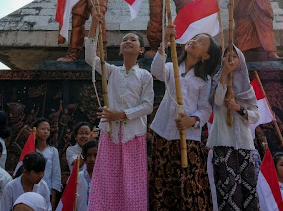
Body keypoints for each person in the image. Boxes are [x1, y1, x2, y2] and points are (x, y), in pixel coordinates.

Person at [149, 25, 221, 210]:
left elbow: (205, 109)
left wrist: (193, 120)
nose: (194, 41)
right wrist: (164, 41)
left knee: (189, 182)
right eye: (195, 38)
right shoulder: (172, 66)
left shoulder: (204, 80)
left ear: (206, 56)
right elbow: (156, 71)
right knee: (163, 182)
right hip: (163, 133)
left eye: (201, 42)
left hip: (188, 137)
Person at [85, 20, 154, 211]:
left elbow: (147, 105)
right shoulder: (113, 71)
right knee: (107, 180)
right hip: (110, 134)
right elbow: (91, 59)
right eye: (125, 40)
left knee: (132, 184)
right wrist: (93, 30)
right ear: (120, 49)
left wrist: (121, 114)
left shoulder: (145, 76)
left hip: (134, 135)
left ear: (141, 50)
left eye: (133, 39)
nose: (128, 41)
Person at [207, 45, 259, 210]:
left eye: (235, 57)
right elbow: (216, 101)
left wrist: (239, 108)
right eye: (227, 56)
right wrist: (223, 74)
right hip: (223, 141)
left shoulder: (246, 87)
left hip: (244, 143)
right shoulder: (215, 80)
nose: (231, 59)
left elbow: (255, 115)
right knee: (228, 190)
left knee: (248, 189)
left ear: (241, 61)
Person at [33, 118, 61, 208]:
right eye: (43, 129)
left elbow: (56, 175)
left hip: (47, 192)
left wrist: (53, 199)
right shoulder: (31, 149)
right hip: (31, 190)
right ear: (36, 130)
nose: (46, 132)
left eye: (48, 130)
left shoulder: (53, 151)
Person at [76, 140, 98, 211]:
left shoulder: (105, 179)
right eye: (89, 155)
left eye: (96, 155)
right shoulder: (77, 178)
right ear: (84, 157)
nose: (92, 159)